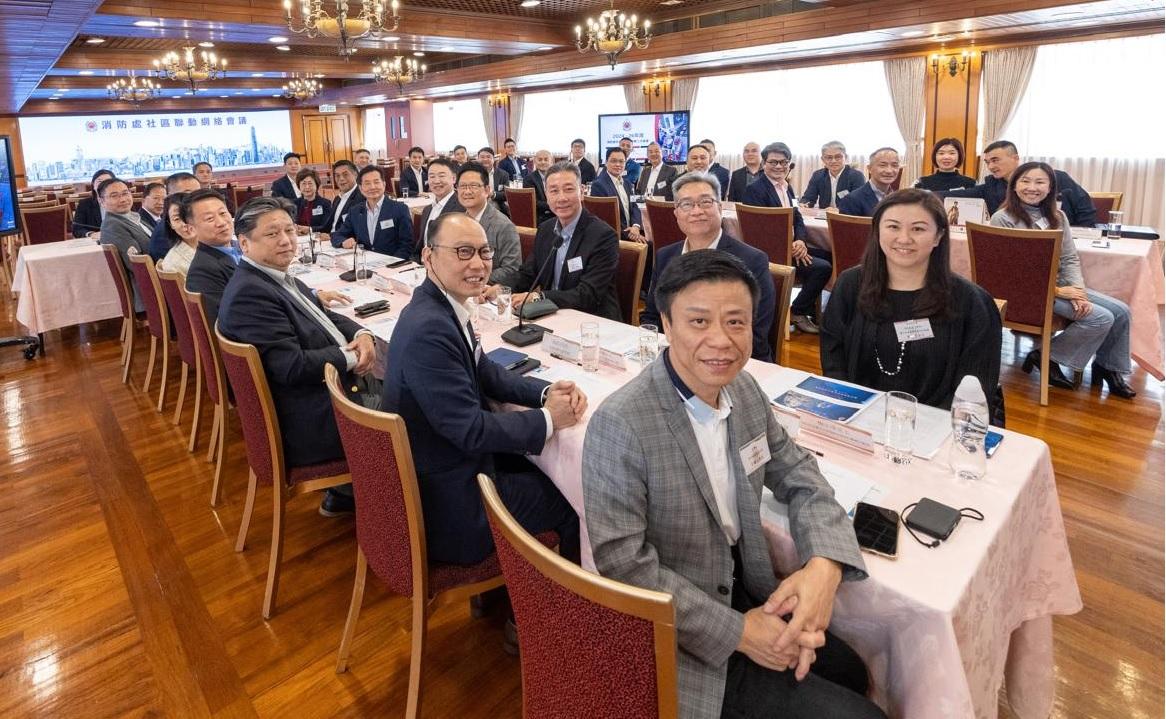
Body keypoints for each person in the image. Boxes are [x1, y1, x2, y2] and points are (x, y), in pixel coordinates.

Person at [584, 250, 884, 719]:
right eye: (699, 322)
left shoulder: (743, 391)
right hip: (680, 630)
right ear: (666, 323)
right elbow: (623, 563)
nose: (720, 341)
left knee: (851, 672)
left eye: (737, 322)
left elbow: (800, 472)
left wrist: (824, 564)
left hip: (745, 586)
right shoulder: (622, 423)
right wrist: (741, 633)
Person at [383, 211, 584, 565]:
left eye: (484, 253)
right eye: (463, 252)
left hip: (451, 463)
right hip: (451, 500)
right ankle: (553, 618)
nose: (478, 264)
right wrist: (550, 418)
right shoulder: (429, 329)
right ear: (428, 256)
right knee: (572, 501)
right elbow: (470, 431)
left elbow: (486, 371)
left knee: (542, 467)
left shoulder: (440, 306)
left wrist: (544, 392)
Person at [218, 196, 373, 516]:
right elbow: (291, 366)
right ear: (244, 243)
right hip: (314, 419)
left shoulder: (272, 277)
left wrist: (361, 334)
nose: (286, 240)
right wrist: (350, 357)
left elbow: (324, 316)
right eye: (273, 234)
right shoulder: (251, 294)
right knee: (423, 408)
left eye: (289, 230)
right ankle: (398, 513)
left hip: (321, 397)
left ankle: (347, 491)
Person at [820, 189, 1003, 419]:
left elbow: (974, 385)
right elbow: (833, 355)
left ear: (938, 236)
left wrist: (925, 427)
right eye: (893, 227)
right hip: (861, 418)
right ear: (877, 231)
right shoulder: (850, 284)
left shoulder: (971, 301)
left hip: (937, 426)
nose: (904, 239)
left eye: (918, 229)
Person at [990, 162, 1135, 398]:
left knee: (1122, 311)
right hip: (1025, 292)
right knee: (1100, 318)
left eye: (1040, 182)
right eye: (1025, 181)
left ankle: (1108, 368)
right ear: (1014, 186)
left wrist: (1078, 290)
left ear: (1050, 188)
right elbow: (1015, 273)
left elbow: (1069, 258)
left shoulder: (1058, 216)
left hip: (1057, 287)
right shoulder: (1003, 218)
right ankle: (1047, 357)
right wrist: (1058, 291)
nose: (1032, 187)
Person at [641, 172, 776, 362]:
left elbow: (754, 333)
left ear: (720, 207)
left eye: (705, 202)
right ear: (676, 213)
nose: (696, 211)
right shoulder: (666, 255)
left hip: (731, 361)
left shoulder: (752, 261)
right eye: (686, 204)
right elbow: (652, 315)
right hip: (671, 357)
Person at [494, 161, 621, 321]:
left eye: (568, 189)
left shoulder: (603, 235)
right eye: (554, 191)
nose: (561, 198)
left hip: (591, 321)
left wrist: (540, 296)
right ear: (546, 195)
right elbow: (528, 273)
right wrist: (501, 288)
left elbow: (588, 294)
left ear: (581, 192)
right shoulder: (546, 229)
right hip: (548, 316)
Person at [743, 142, 832, 335]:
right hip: (774, 252)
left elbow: (797, 217)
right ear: (764, 164)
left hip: (791, 245)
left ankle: (807, 310)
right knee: (822, 268)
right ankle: (796, 312)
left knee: (829, 255)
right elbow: (762, 231)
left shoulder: (786, 186)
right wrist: (789, 246)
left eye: (783, 162)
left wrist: (800, 241)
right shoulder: (755, 190)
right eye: (773, 162)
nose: (778, 166)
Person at [946, 140, 1096, 227]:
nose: (990, 167)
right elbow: (957, 195)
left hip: (1063, 240)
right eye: (987, 162)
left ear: (1015, 158)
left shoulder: (1056, 178)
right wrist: (924, 194)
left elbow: (1085, 208)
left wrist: (1081, 235)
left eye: (995, 160)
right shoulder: (991, 186)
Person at [457, 162, 521, 287]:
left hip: (487, 289)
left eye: (474, 186)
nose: (467, 191)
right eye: (462, 186)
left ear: (487, 190)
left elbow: (511, 269)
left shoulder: (503, 225)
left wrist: (471, 277)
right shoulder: (458, 222)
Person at [330, 165, 413, 258]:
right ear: (361, 189)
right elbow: (336, 235)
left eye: (376, 182)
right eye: (367, 183)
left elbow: (407, 245)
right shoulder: (355, 211)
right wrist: (343, 242)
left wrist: (391, 265)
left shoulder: (400, 209)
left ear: (384, 185)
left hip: (392, 266)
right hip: (365, 264)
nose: (372, 187)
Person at [183, 188, 239, 323]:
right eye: (209, 218)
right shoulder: (203, 270)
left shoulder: (240, 247)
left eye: (223, 213)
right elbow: (225, 321)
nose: (221, 222)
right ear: (192, 229)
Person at [99, 178, 153, 293]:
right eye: (114, 196)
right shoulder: (113, 225)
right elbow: (138, 265)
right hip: (150, 289)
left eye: (125, 193)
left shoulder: (133, 217)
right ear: (102, 201)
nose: (123, 199)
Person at [588, 147, 645, 243]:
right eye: (613, 161)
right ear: (606, 163)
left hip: (631, 230)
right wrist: (629, 233)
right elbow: (606, 218)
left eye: (621, 161)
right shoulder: (599, 185)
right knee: (650, 247)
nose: (618, 164)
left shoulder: (627, 183)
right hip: (614, 235)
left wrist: (636, 226)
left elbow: (635, 205)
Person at [147, 171, 203, 261]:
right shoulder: (168, 231)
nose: (196, 198)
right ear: (170, 196)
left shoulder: (190, 220)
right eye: (187, 194)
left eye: (199, 193)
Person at [413, 158, 463, 256]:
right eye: (432, 176)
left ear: (453, 178)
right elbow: (420, 246)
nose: (436, 181)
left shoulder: (462, 208)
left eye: (441, 176)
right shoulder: (427, 210)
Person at [837, 147, 901, 217]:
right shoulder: (851, 200)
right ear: (869, 168)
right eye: (883, 165)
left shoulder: (900, 199)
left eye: (894, 165)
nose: (889, 171)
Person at [800, 141, 865, 209]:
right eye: (829, 157)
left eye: (838, 157)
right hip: (823, 217)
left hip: (847, 217)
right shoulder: (818, 175)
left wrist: (838, 211)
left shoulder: (856, 176)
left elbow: (858, 203)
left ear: (845, 157)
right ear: (823, 159)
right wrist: (804, 204)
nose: (833, 161)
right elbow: (808, 198)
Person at [157, 192, 198, 275]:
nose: (184, 223)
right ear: (170, 225)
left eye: (187, 215)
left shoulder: (216, 242)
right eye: (177, 219)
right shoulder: (173, 264)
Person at [324, 159, 363, 234]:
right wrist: (310, 229)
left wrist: (331, 236)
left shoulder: (361, 197)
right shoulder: (337, 198)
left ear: (355, 174)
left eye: (345, 174)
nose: (341, 179)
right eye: (337, 176)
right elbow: (328, 226)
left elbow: (355, 230)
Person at [72, 168, 114, 239]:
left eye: (108, 182)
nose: (103, 185)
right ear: (93, 185)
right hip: (95, 243)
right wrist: (91, 234)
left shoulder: (124, 201)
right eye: (99, 182)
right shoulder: (84, 204)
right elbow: (77, 229)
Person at [293, 168, 333, 233]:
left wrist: (310, 229)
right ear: (299, 186)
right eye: (304, 183)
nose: (307, 187)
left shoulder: (325, 203)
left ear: (316, 185)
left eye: (310, 183)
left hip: (318, 238)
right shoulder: (294, 204)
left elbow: (327, 227)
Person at [523, 150, 555, 224]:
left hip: (558, 213)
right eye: (540, 160)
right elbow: (533, 202)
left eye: (546, 159)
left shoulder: (557, 177)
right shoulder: (529, 179)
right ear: (535, 161)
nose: (543, 162)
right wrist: (553, 205)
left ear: (552, 161)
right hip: (540, 217)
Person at [476, 146, 512, 211]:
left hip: (497, 208)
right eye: (482, 157)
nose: (485, 159)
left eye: (488, 157)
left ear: (493, 159)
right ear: (478, 159)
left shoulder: (503, 174)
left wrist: (493, 194)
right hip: (476, 208)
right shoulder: (472, 174)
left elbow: (507, 194)